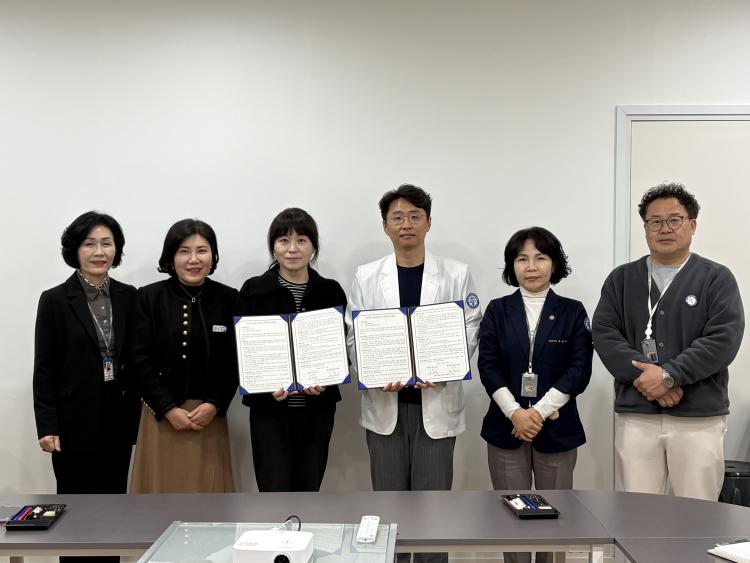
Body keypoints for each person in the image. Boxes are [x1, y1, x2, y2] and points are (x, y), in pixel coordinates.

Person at [346, 184, 481, 563]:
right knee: (389, 511)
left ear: (428, 223)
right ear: (385, 226)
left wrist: (443, 368)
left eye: (414, 216)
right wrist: (376, 373)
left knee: (433, 512)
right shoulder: (366, 276)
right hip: (385, 405)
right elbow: (354, 333)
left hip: (436, 402)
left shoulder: (456, 273)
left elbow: (471, 326)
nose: (406, 224)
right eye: (398, 217)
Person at [593, 182, 744, 501]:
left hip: (698, 417)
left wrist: (669, 376)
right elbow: (605, 334)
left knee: (698, 511)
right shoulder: (622, 279)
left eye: (674, 219)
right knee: (639, 511)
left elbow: (723, 339)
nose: (665, 228)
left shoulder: (716, 278)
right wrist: (648, 378)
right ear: (645, 228)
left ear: (692, 225)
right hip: (637, 414)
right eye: (655, 221)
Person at [478, 227, 592, 563]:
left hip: (556, 429)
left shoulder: (572, 311)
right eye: (522, 259)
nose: (531, 266)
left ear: (554, 263)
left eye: (540, 258)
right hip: (506, 429)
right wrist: (515, 412)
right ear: (511, 266)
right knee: (511, 517)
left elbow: (579, 370)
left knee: (555, 517)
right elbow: (488, 366)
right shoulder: (497, 310)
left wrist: (537, 413)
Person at [33, 211, 140, 563]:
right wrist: (47, 425)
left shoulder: (129, 296)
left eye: (107, 243)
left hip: (118, 419)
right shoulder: (54, 300)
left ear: (116, 249)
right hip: (71, 423)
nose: (99, 252)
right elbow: (44, 368)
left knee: (114, 508)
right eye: (89, 244)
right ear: (75, 250)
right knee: (76, 511)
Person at [235, 208, 347, 492]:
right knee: (274, 489)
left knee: (309, 487)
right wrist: (266, 386)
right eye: (284, 240)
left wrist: (326, 378)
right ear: (273, 246)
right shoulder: (253, 290)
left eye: (301, 240)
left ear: (313, 247)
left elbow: (341, 348)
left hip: (317, 411)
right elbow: (243, 352)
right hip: (269, 412)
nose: (292, 249)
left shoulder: (330, 291)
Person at [130, 219, 238, 493]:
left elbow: (234, 361)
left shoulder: (229, 298)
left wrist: (214, 404)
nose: (193, 259)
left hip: (209, 417)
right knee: (159, 498)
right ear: (170, 257)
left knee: (209, 500)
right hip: (161, 416)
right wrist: (167, 408)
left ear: (213, 255)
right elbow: (139, 360)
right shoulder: (149, 297)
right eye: (184, 251)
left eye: (202, 250)